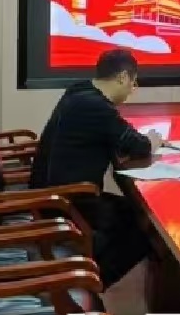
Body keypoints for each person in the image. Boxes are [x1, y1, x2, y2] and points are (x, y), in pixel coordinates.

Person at [32, 49, 160, 288]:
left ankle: (90, 267)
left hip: (55, 191)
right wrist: (154, 140)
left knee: (131, 212)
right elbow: (138, 145)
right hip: (68, 200)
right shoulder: (97, 107)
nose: (132, 89)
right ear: (122, 77)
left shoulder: (79, 91)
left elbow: (117, 136)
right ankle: (93, 281)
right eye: (133, 82)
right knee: (145, 226)